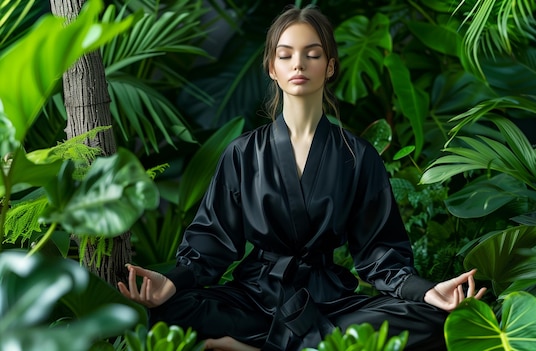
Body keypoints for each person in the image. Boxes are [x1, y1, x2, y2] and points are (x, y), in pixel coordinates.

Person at [118, 5, 486, 351]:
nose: (299, 64)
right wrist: (172, 282)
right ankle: (314, 345)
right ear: (271, 68)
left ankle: (254, 347)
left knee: (431, 320)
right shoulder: (243, 154)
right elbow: (211, 245)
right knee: (171, 310)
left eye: (312, 54)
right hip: (255, 298)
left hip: (329, 300)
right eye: (285, 54)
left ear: (329, 66)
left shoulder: (358, 156)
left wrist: (427, 291)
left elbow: (380, 255)